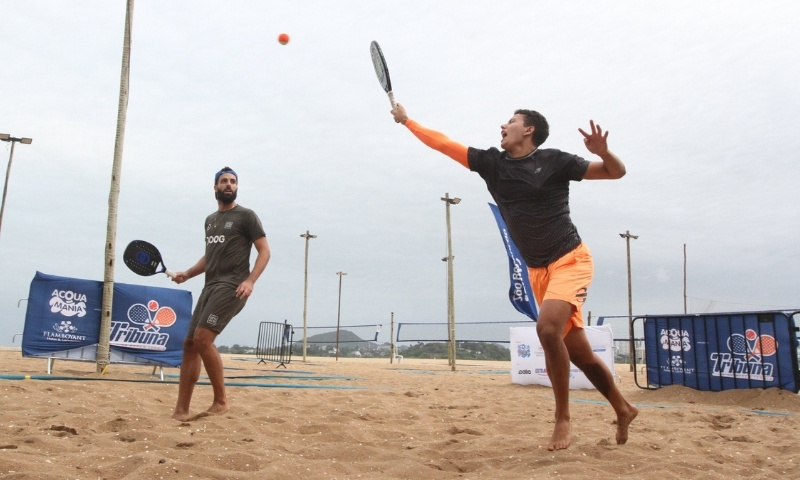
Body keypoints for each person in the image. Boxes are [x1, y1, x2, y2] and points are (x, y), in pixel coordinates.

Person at [390, 104, 638, 451]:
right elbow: (444, 144)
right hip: (538, 271)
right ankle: (623, 407)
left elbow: (616, 173)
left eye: (511, 121)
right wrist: (408, 121)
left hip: (571, 259)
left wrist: (604, 152)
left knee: (547, 328)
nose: (503, 125)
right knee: (579, 353)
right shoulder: (493, 164)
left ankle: (562, 418)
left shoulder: (555, 161)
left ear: (529, 131)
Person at [170, 166, 270, 421]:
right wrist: (188, 274)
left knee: (203, 338)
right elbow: (210, 255)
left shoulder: (246, 216)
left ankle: (221, 402)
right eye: (224, 181)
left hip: (233, 286)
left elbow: (265, 251)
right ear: (215, 187)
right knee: (190, 343)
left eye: (233, 181)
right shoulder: (210, 221)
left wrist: (250, 281)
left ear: (237, 187)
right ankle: (181, 410)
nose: (228, 185)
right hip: (210, 286)